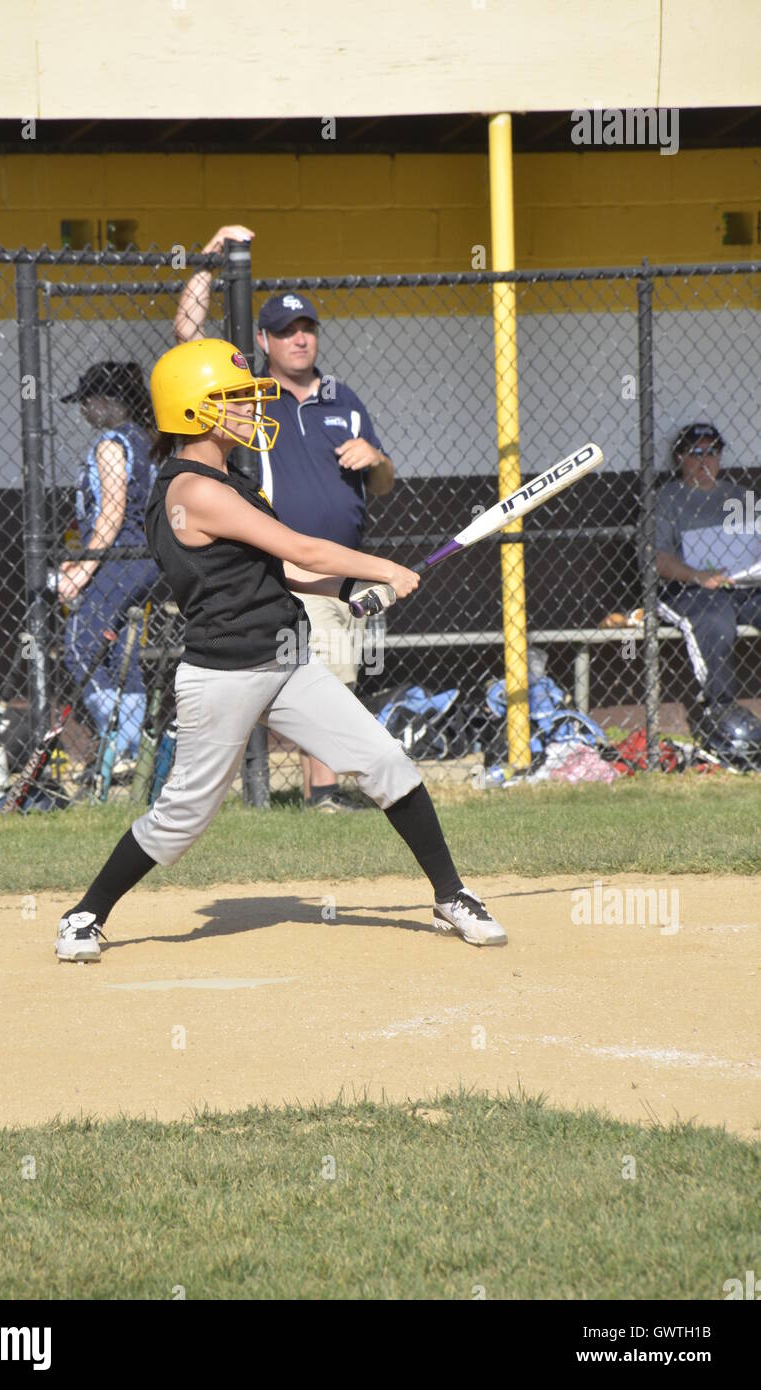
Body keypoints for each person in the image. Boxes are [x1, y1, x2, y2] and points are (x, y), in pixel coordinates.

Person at [54, 338, 507, 962]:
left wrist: (354, 589)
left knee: (386, 763)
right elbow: (304, 550)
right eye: (235, 399)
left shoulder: (229, 479)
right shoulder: (193, 491)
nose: (249, 409)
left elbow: (287, 574)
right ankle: (84, 914)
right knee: (182, 818)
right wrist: (387, 567)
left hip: (288, 663)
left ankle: (452, 894)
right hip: (223, 675)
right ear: (196, 413)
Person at [175, 247, 395, 812]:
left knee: (339, 674)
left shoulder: (341, 398)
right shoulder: (248, 397)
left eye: (307, 329)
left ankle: (330, 788)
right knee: (320, 674)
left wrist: (376, 458)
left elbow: (384, 483)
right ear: (264, 342)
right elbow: (186, 338)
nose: (300, 340)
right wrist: (206, 261)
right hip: (288, 561)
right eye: (285, 331)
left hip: (340, 561)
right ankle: (323, 792)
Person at [58, 361, 160, 775]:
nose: (82, 410)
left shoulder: (111, 444)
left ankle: (120, 737)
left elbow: (112, 514)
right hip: (145, 561)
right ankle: (130, 751)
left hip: (120, 557)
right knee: (123, 655)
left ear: (104, 402)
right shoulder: (146, 440)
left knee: (80, 645)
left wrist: (84, 568)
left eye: (86, 400)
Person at [654, 421, 761, 737]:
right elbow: (657, 558)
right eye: (695, 452)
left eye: (711, 452)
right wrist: (698, 576)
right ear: (679, 457)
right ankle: (721, 708)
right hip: (688, 589)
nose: (704, 460)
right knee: (715, 620)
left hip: (743, 586)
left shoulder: (739, 496)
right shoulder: (667, 498)